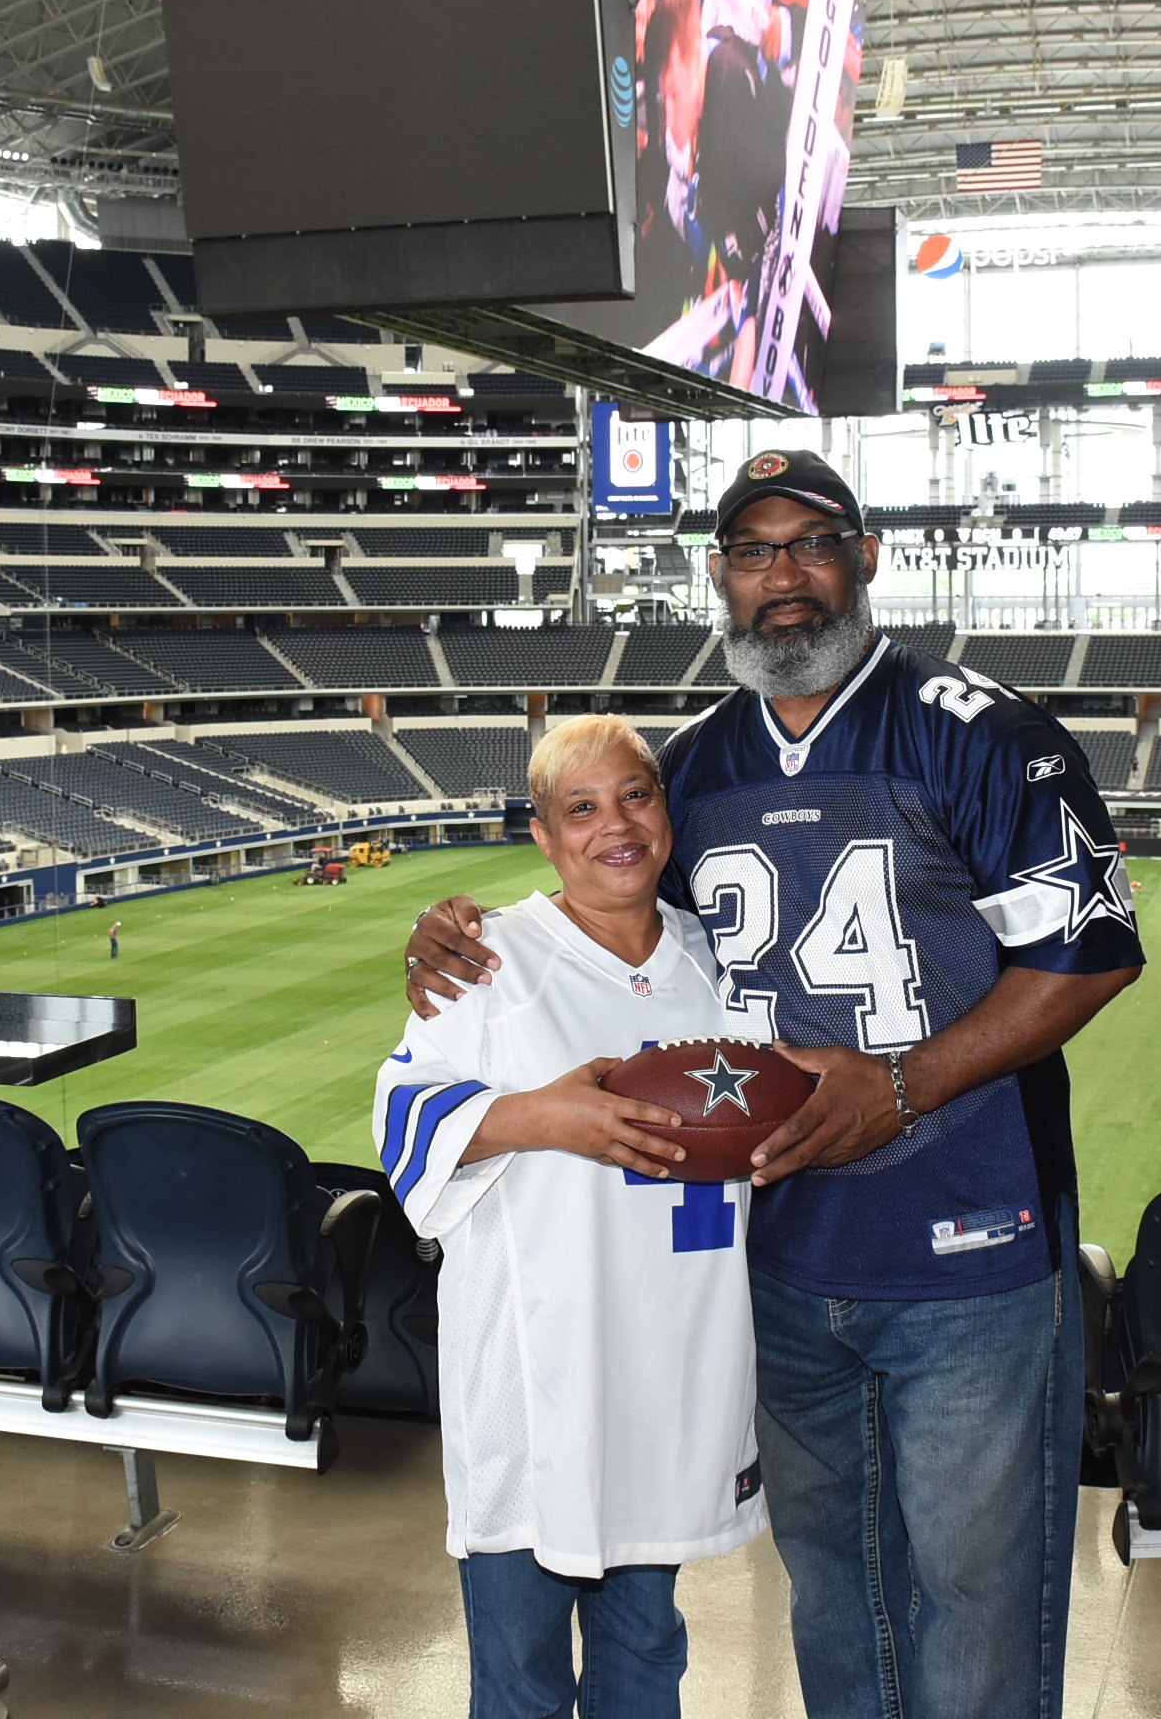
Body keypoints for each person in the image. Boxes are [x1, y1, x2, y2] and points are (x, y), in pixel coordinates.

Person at [407, 449, 1145, 1719]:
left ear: (867, 556)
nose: (783, 573)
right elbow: (616, 924)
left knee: (976, 1596)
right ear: (719, 576)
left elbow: (1090, 956)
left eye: (812, 541)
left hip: (970, 1246)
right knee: (833, 1588)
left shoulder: (984, 731)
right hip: (778, 1259)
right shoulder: (690, 767)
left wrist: (901, 1084)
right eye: (753, 549)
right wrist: (455, 935)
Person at [378, 715, 763, 1719]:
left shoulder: (723, 963)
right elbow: (402, 1121)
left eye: (635, 794)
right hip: (532, 1389)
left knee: (647, 1651)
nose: (615, 825)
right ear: (543, 837)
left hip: (668, 1384)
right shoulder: (485, 962)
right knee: (520, 1674)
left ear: (666, 811)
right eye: (581, 808)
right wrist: (546, 1116)